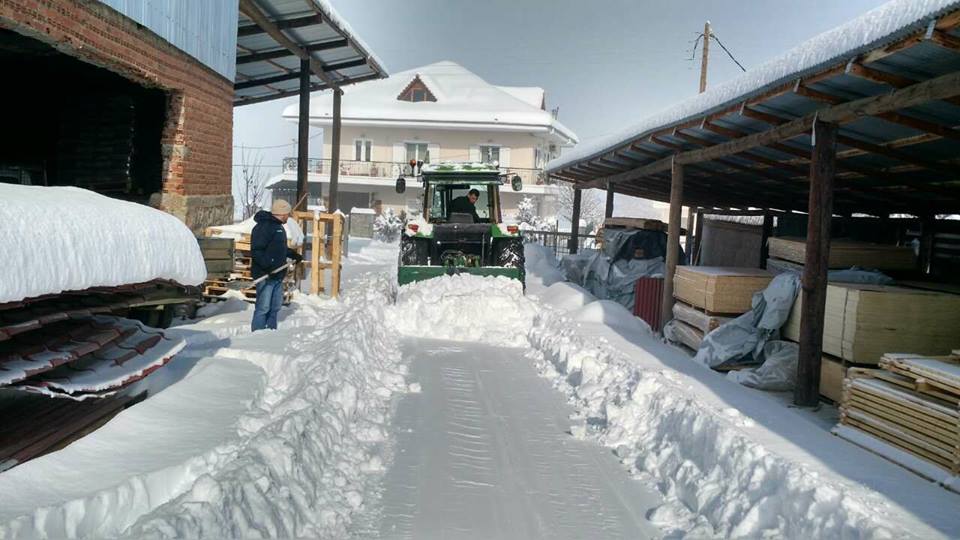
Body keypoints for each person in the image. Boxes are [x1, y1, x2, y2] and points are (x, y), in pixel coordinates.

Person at [250, 199, 303, 331]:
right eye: (287, 213)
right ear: (282, 213)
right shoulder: (263, 227)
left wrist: (293, 255)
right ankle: (257, 335)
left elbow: (280, 249)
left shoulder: (278, 227)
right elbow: (257, 250)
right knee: (263, 308)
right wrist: (269, 266)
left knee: (275, 307)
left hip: (277, 275)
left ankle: (270, 333)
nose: (288, 216)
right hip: (265, 276)